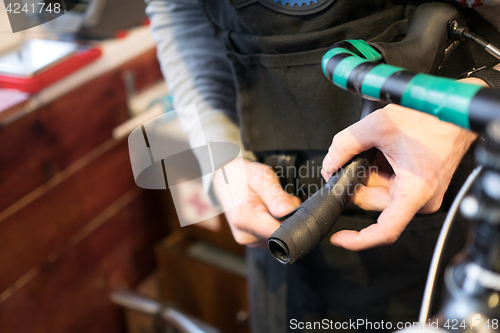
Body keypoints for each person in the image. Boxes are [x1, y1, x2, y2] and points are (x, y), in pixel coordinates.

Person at [146, 0, 500, 331]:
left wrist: (457, 115)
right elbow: (180, 13)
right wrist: (218, 153)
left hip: (430, 212)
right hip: (274, 223)